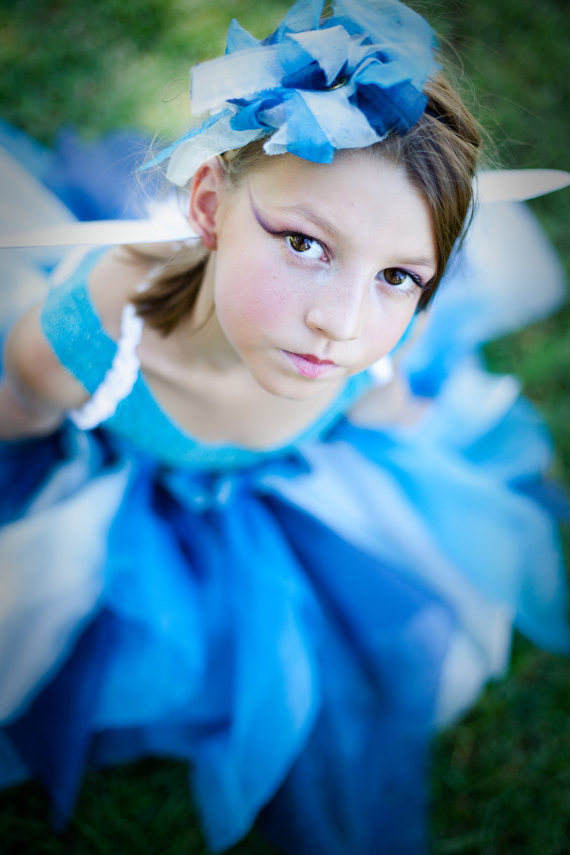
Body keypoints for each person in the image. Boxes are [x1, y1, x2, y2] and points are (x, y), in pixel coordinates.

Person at [0, 1, 568, 853]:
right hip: (133, 489)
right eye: (305, 244)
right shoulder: (89, 334)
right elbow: (19, 407)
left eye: (398, 276)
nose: (342, 323)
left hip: (289, 483)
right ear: (209, 206)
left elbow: (385, 399)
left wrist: (414, 416)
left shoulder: (373, 345)